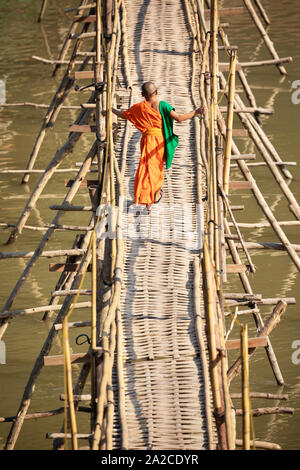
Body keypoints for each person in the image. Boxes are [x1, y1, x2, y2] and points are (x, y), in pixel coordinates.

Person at [112, 81, 206, 212]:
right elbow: (179, 118)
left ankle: (148, 200)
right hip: (159, 142)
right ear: (156, 92)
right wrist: (196, 112)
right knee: (156, 169)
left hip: (147, 140)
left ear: (142, 95)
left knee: (146, 169)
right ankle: (154, 195)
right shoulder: (162, 105)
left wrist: (110, 110)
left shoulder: (139, 107)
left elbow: (124, 115)